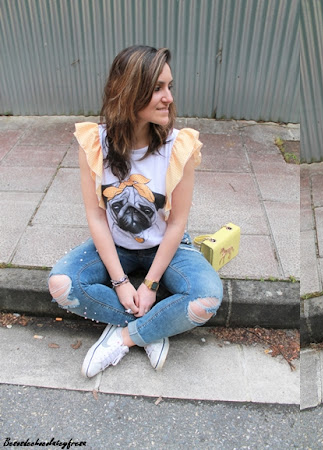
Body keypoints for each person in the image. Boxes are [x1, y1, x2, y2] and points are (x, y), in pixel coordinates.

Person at [47, 45, 223, 378]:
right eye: (157, 88)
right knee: (61, 285)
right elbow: (96, 216)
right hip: (116, 247)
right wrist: (120, 283)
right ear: (129, 91)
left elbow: (177, 223)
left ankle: (125, 337)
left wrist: (150, 285)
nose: (169, 97)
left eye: (169, 86)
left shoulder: (179, 147)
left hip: (167, 245)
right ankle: (154, 327)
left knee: (207, 298)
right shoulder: (94, 144)